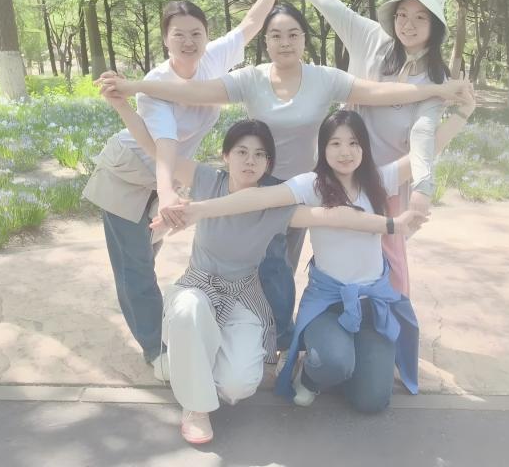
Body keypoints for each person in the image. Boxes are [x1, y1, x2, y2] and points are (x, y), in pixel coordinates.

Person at [96, 3, 471, 351]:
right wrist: (134, 87)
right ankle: (249, 337)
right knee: (253, 264)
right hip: (256, 187)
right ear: (266, 41)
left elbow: (379, 92)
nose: (285, 42)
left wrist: (438, 90)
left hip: (301, 190)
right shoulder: (250, 78)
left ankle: (277, 338)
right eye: (275, 35)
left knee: (282, 269)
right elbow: (191, 91)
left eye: (293, 34)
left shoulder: (324, 78)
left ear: (305, 38)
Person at [105, 96, 426, 443]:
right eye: (241, 151)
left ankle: (190, 362)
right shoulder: (206, 179)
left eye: (260, 155)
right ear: (226, 155)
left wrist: (393, 224)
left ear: (269, 163)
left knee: (239, 385)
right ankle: (195, 408)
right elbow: (155, 149)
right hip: (198, 285)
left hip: (243, 291)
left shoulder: (274, 201)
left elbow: (334, 216)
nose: (250, 160)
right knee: (188, 310)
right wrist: (122, 106)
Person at [155, 109, 469, 414]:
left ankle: (346, 368)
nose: (345, 152)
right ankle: (314, 373)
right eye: (335, 143)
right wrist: (198, 210)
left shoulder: (379, 180)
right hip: (328, 301)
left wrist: (462, 114)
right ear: (323, 148)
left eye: (353, 143)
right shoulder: (312, 184)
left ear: (364, 147)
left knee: (372, 401)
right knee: (334, 363)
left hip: (372, 302)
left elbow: (425, 151)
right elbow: (258, 198)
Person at [81, 0, 292, 373]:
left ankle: (167, 333)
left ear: (206, 36)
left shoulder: (214, 59)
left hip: (167, 179)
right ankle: (156, 352)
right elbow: (163, 146)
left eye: (196, 32)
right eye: (178, 34)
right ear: (165, 39)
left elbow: (252, 23)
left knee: (149, 258)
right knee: (136, 267)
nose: (189, 41)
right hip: (128, 175)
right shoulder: (156, 85)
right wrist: (168, 192)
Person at [290, 0, 468, 296]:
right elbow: (332, 7)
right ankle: (338, 311)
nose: (408, 25)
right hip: (343, 168)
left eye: (420, 17)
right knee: (338, 243)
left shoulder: (436, 80)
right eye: (402, 15)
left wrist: (424, 186)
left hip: (387, 180)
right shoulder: (372, 39)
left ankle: (394, 320)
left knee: (389, 253)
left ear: (435, 26)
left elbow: (423, 132)